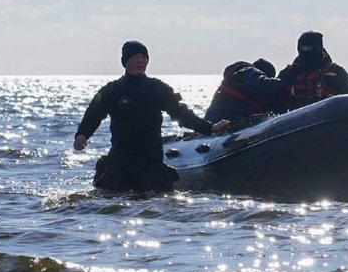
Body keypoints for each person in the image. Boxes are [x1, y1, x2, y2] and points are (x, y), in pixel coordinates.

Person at [74, 40, 230, 193]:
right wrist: (82, 135)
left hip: (150, 160)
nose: (140, 60)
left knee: (158, 202)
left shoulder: (158, 88)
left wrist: (210, 128)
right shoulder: (111, 90)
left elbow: (181, 114)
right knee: (109, 200)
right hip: (120, 159)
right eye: (135, 56)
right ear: (125, 61)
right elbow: (92, 115)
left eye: (143, 56)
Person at [204, 58, 297, 123]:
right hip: (230, 119)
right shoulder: (251, 72)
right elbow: (265, 86)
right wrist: (285, 78)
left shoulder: (238, 77)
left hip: (218, 120)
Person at [283, 30, 348, 110]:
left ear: (318, 48)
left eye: (308, 48)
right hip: (296, 120)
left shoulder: (335, 72)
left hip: (329, 118)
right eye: (302, 48)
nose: (305, 51)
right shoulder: (290, 73)